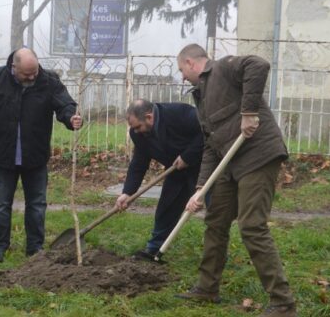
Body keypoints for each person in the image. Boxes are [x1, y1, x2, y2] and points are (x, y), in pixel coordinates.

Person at [174, 44, 296, 317]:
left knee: (252, 226)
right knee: (215, 221)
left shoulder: (223, 68)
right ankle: (207, 288)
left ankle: (283, 303)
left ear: (192, 63)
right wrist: (199, 188)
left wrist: (249, 112)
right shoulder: (201, 96)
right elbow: (209, 145)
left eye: (181, 69)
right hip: (229, 163)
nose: (182, 76)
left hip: (257, 156)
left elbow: (259, 65)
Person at [0, 48, 82, 264]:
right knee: (0, 204)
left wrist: (71, 118)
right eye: (27, 74)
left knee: (36, 204)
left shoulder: (48, 80)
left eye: (34, 72)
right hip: (3, 154)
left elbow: (65, 104)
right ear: (13, 67)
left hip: (35, 155)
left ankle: (35, 249)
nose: (32, 77)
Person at [116, 99, 204, 261]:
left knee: (216, 211)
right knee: (166, 208)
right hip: (175, 171)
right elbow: (139, 163)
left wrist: (188, 156)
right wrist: (127, 192)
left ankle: (215, 253)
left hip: (203, 168)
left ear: (149, 117)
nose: (135, 132)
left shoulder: (179, 113)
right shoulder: (138, 134)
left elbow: (208, 132)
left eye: (137, 127)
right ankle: (154, 249)